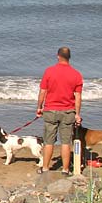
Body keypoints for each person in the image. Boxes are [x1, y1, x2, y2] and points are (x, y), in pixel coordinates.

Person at [35, 46, 83, 175]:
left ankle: (45, 168)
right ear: (69, 57)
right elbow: (78, 97)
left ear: (58, 56)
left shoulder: (49, 71)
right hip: (68, 111)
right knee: (66, 142)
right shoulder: (76, 74)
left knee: (48, 141)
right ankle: (65, 169)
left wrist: (39, 107)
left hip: (51, 109)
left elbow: (43, 91)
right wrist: (77, 114)